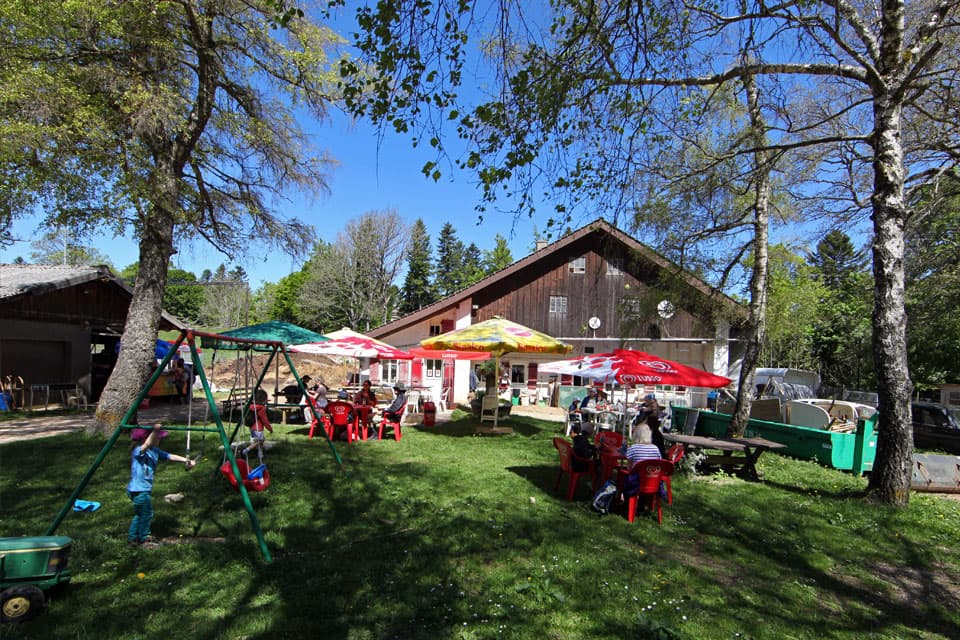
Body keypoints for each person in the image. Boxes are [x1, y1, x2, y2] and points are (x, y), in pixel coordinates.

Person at [127, 425, 196, 548]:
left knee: (140, 514)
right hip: (139, 490)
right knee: (147, 514)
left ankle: (132, 539)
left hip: (141, 489)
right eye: (158, 438)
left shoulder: (154, 451)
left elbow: (170, 456)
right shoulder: (138, 450)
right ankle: (144, 539)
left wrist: (187, 460)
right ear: (149, 438)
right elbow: (146, 445)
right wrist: (155, 431)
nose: (160, 440)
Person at [242, 389, 274, 463]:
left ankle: (260, 455)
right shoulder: (261, 409)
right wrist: (270, 429)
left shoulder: (250, 406)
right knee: (260, 441)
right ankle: (245, 451)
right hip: (258, 428)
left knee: (260, 441)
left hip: (251, 427)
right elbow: (265, 421)